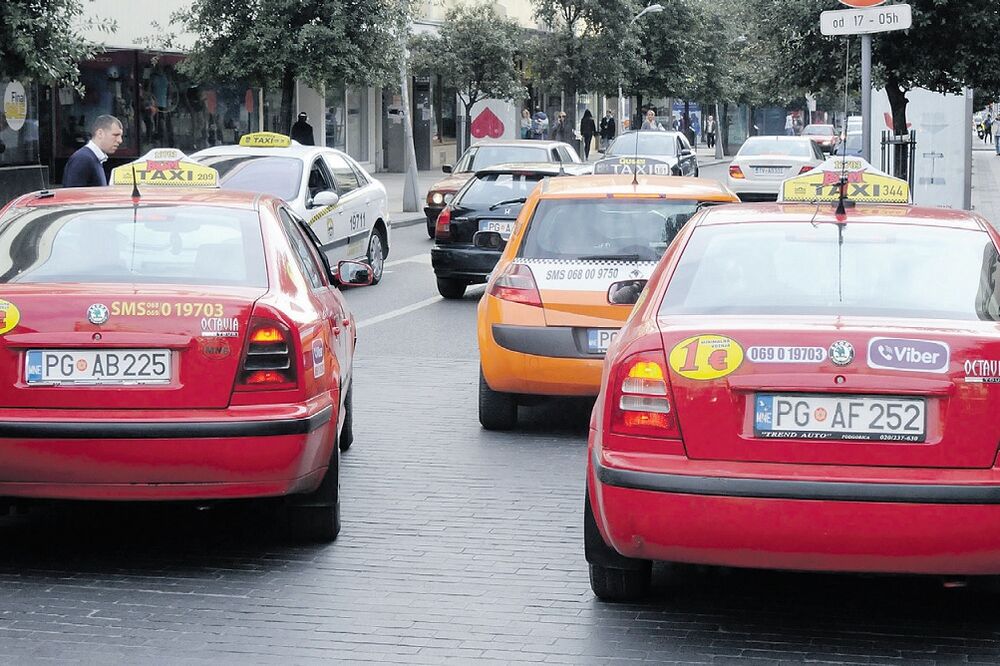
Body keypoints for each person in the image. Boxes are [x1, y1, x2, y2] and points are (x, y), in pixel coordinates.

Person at [62, 115, 123, 187]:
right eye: (115, 135)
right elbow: (72, 193)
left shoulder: (91, 158)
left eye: (121, 136)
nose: (120, 140)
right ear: (100, 133)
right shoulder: (82, 159)